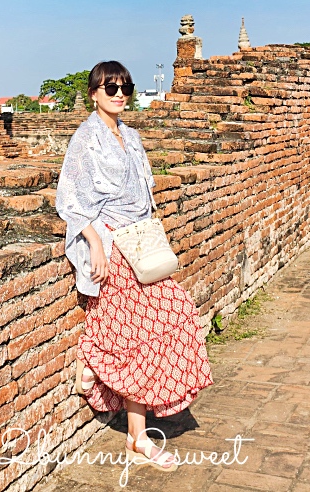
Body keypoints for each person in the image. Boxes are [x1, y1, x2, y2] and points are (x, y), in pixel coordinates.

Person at [55, 60, 213, 472]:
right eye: (111, 89)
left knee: (176, 314)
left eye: (125, 87)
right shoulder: (85, 139)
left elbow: (145, 196)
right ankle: (137, 437)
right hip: (111, 243)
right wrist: (95, 245)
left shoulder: (131, 136)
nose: (119, 95)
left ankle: (92, 359)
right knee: (139, 338)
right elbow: (70, 200)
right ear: (94, 94)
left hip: (140, 242)